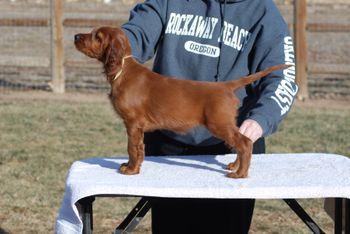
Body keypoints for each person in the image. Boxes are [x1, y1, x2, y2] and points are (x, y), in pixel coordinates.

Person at [121, 0, 298, 233]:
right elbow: (137, 33)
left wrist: (261, 119)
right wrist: (114, 42)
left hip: (229, 148)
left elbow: (283, 76)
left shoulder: (264, 12)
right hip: (169, 146)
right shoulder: (168, 2)